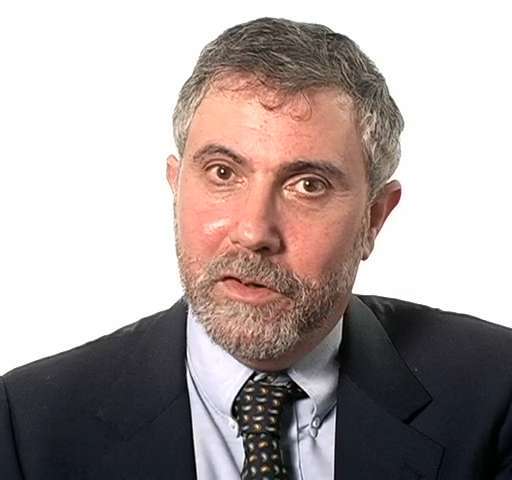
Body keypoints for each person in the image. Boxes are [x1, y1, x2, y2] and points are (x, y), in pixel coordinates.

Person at [1, 16, 511, 480]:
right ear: (176, 186)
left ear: (374, 218)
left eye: (308, 185)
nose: (253, 231)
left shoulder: (496, 394)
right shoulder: (27, 426)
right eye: (223, 173)